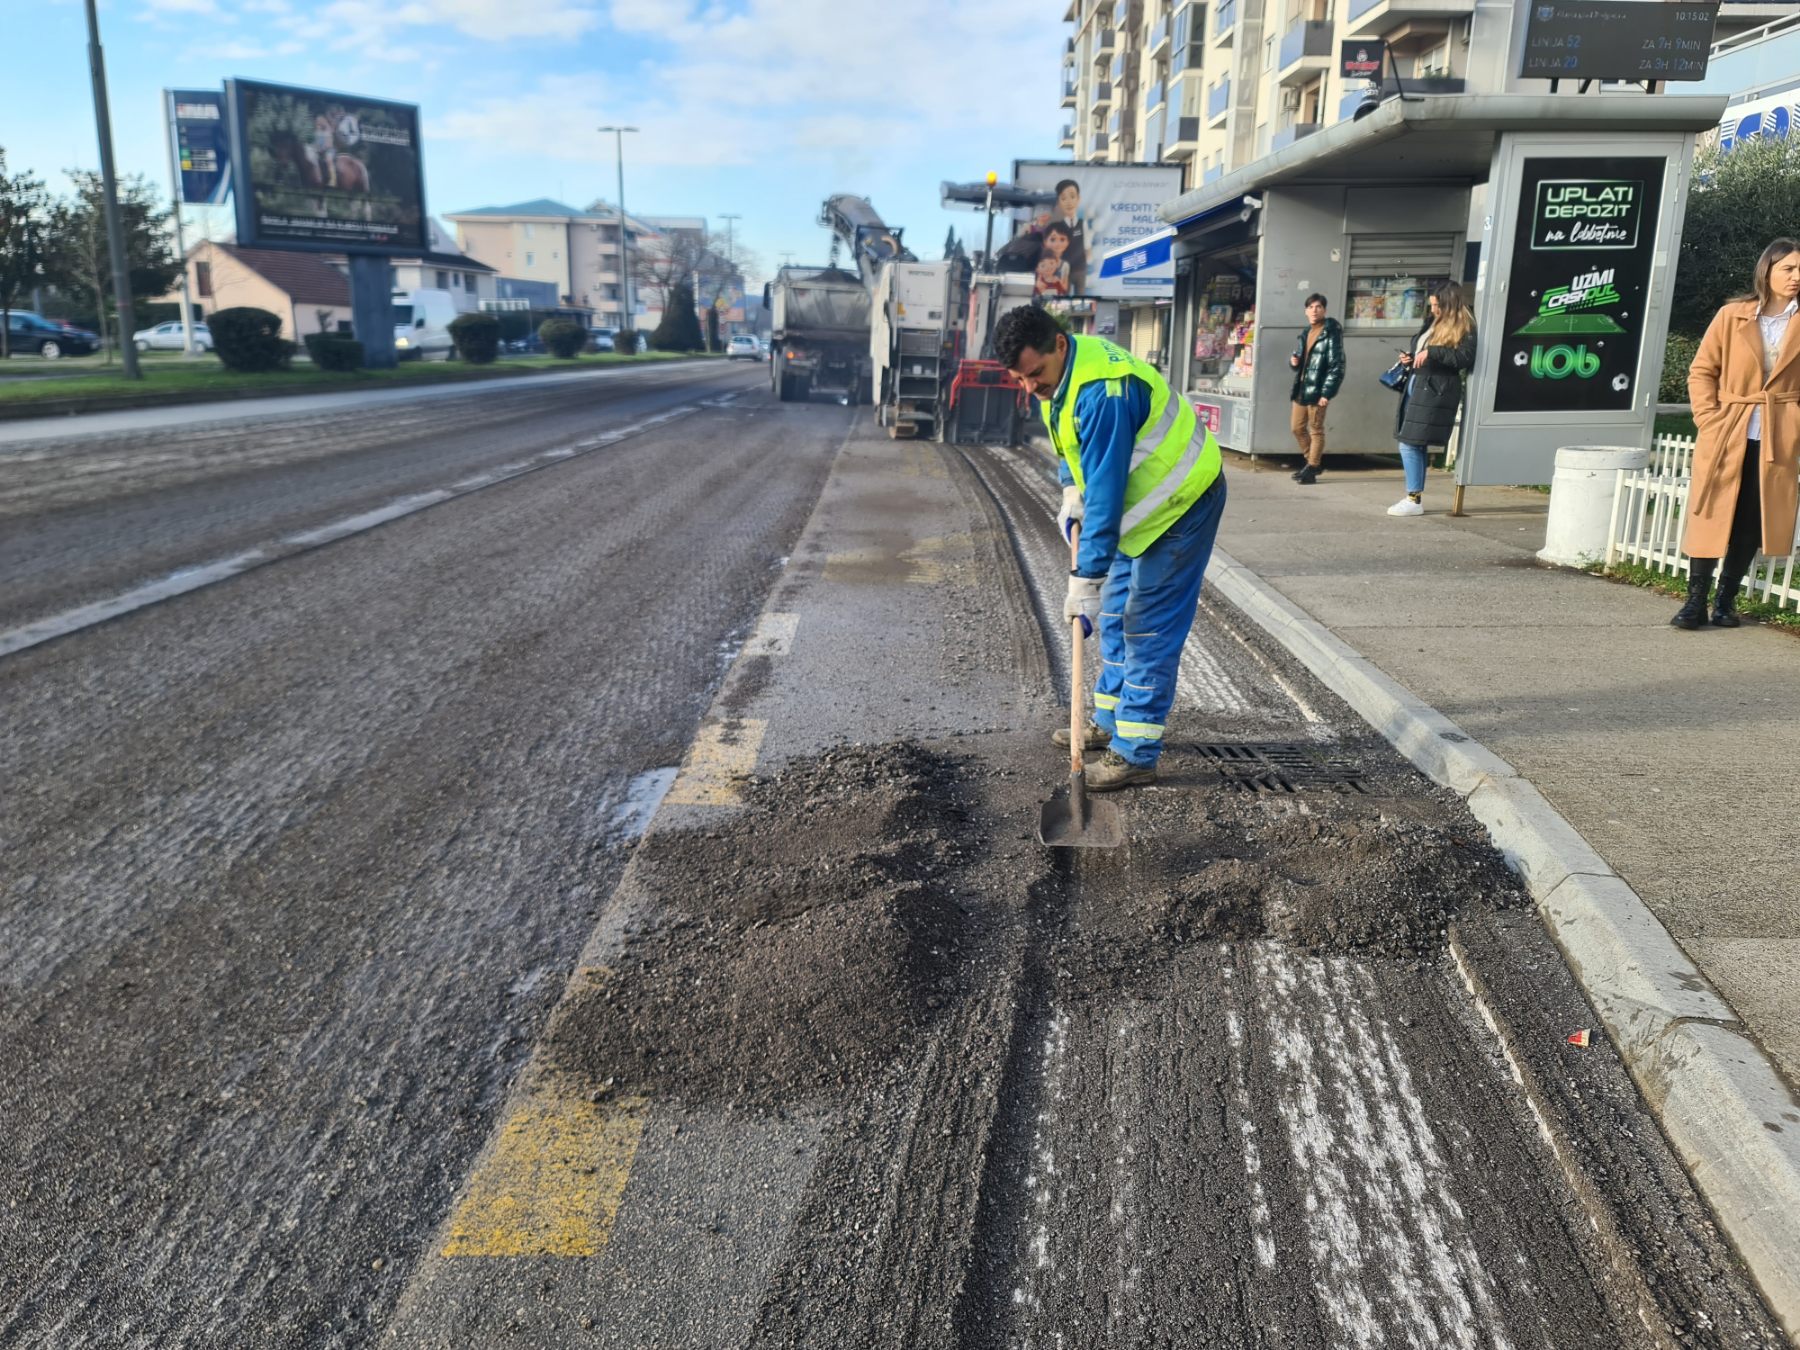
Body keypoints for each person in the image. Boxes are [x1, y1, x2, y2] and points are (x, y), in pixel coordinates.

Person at [995, 303, 1226, 791]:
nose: (1030, 388)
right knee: (1116, 613)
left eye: (1034, 374)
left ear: (1060, 344)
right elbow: (1071, 446)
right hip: (1139, 512)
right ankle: (1108, 718)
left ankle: (1136, 752)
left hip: (1182, 504)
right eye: (1020, 379)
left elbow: (1106, 491)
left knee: (1146, 624)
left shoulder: (1103, 392)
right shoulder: (1058, 380)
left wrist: (1085, 578)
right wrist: (1069, 488)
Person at [1675, 237, 1800, 629]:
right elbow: (1702, 371)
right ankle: (1694, 602)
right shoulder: (1732, 316)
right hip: (1727, 430)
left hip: (1779, 435)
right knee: (1710, 512)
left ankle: (1725, 602)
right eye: (1788, 268)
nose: (1796, 276)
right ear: (1767, 270)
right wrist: (1708, 418)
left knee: (1752, 520)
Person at [1388, 282, 1476, 516]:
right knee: (1412, 442)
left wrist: (1433, 352)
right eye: (1432, 305)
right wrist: (1412, 357)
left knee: (1408, 443)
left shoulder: (1465, 325)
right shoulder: (1433, 321)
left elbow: (1464, 358)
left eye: (1437, 305)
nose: (1434, 309)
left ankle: (1413, 499)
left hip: (1435, 388)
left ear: (1449, 303)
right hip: (1418, 384)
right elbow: (1423, 351)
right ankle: (1413, 498)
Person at [1287, 292, 1344, 486]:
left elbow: (1337, 365)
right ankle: (1312, 463)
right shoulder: (1306, 332)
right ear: (1306, 311)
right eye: (1311, 307)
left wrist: (1326, 392)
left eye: (1318, 307)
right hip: (1302, 388)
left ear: (1324, 310)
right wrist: (1294, 362)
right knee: (1296, 427)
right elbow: (1302, 361)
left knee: (1316, 429)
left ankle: (1311, 468)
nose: (1314, 310)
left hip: (1318, 390)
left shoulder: (1331, 332)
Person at [1052, 179, 1088, 295]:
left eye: (1072, 197)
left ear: (1078, 199)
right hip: (1064, 271)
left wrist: (1085, 262)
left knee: (1081, 299)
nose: (1069, 202)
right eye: (1063, 198)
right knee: (1063, 299)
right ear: (1058, 202)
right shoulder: (1058, 226)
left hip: (1080, 269)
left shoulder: (1083, 224)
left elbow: (1087, 246)